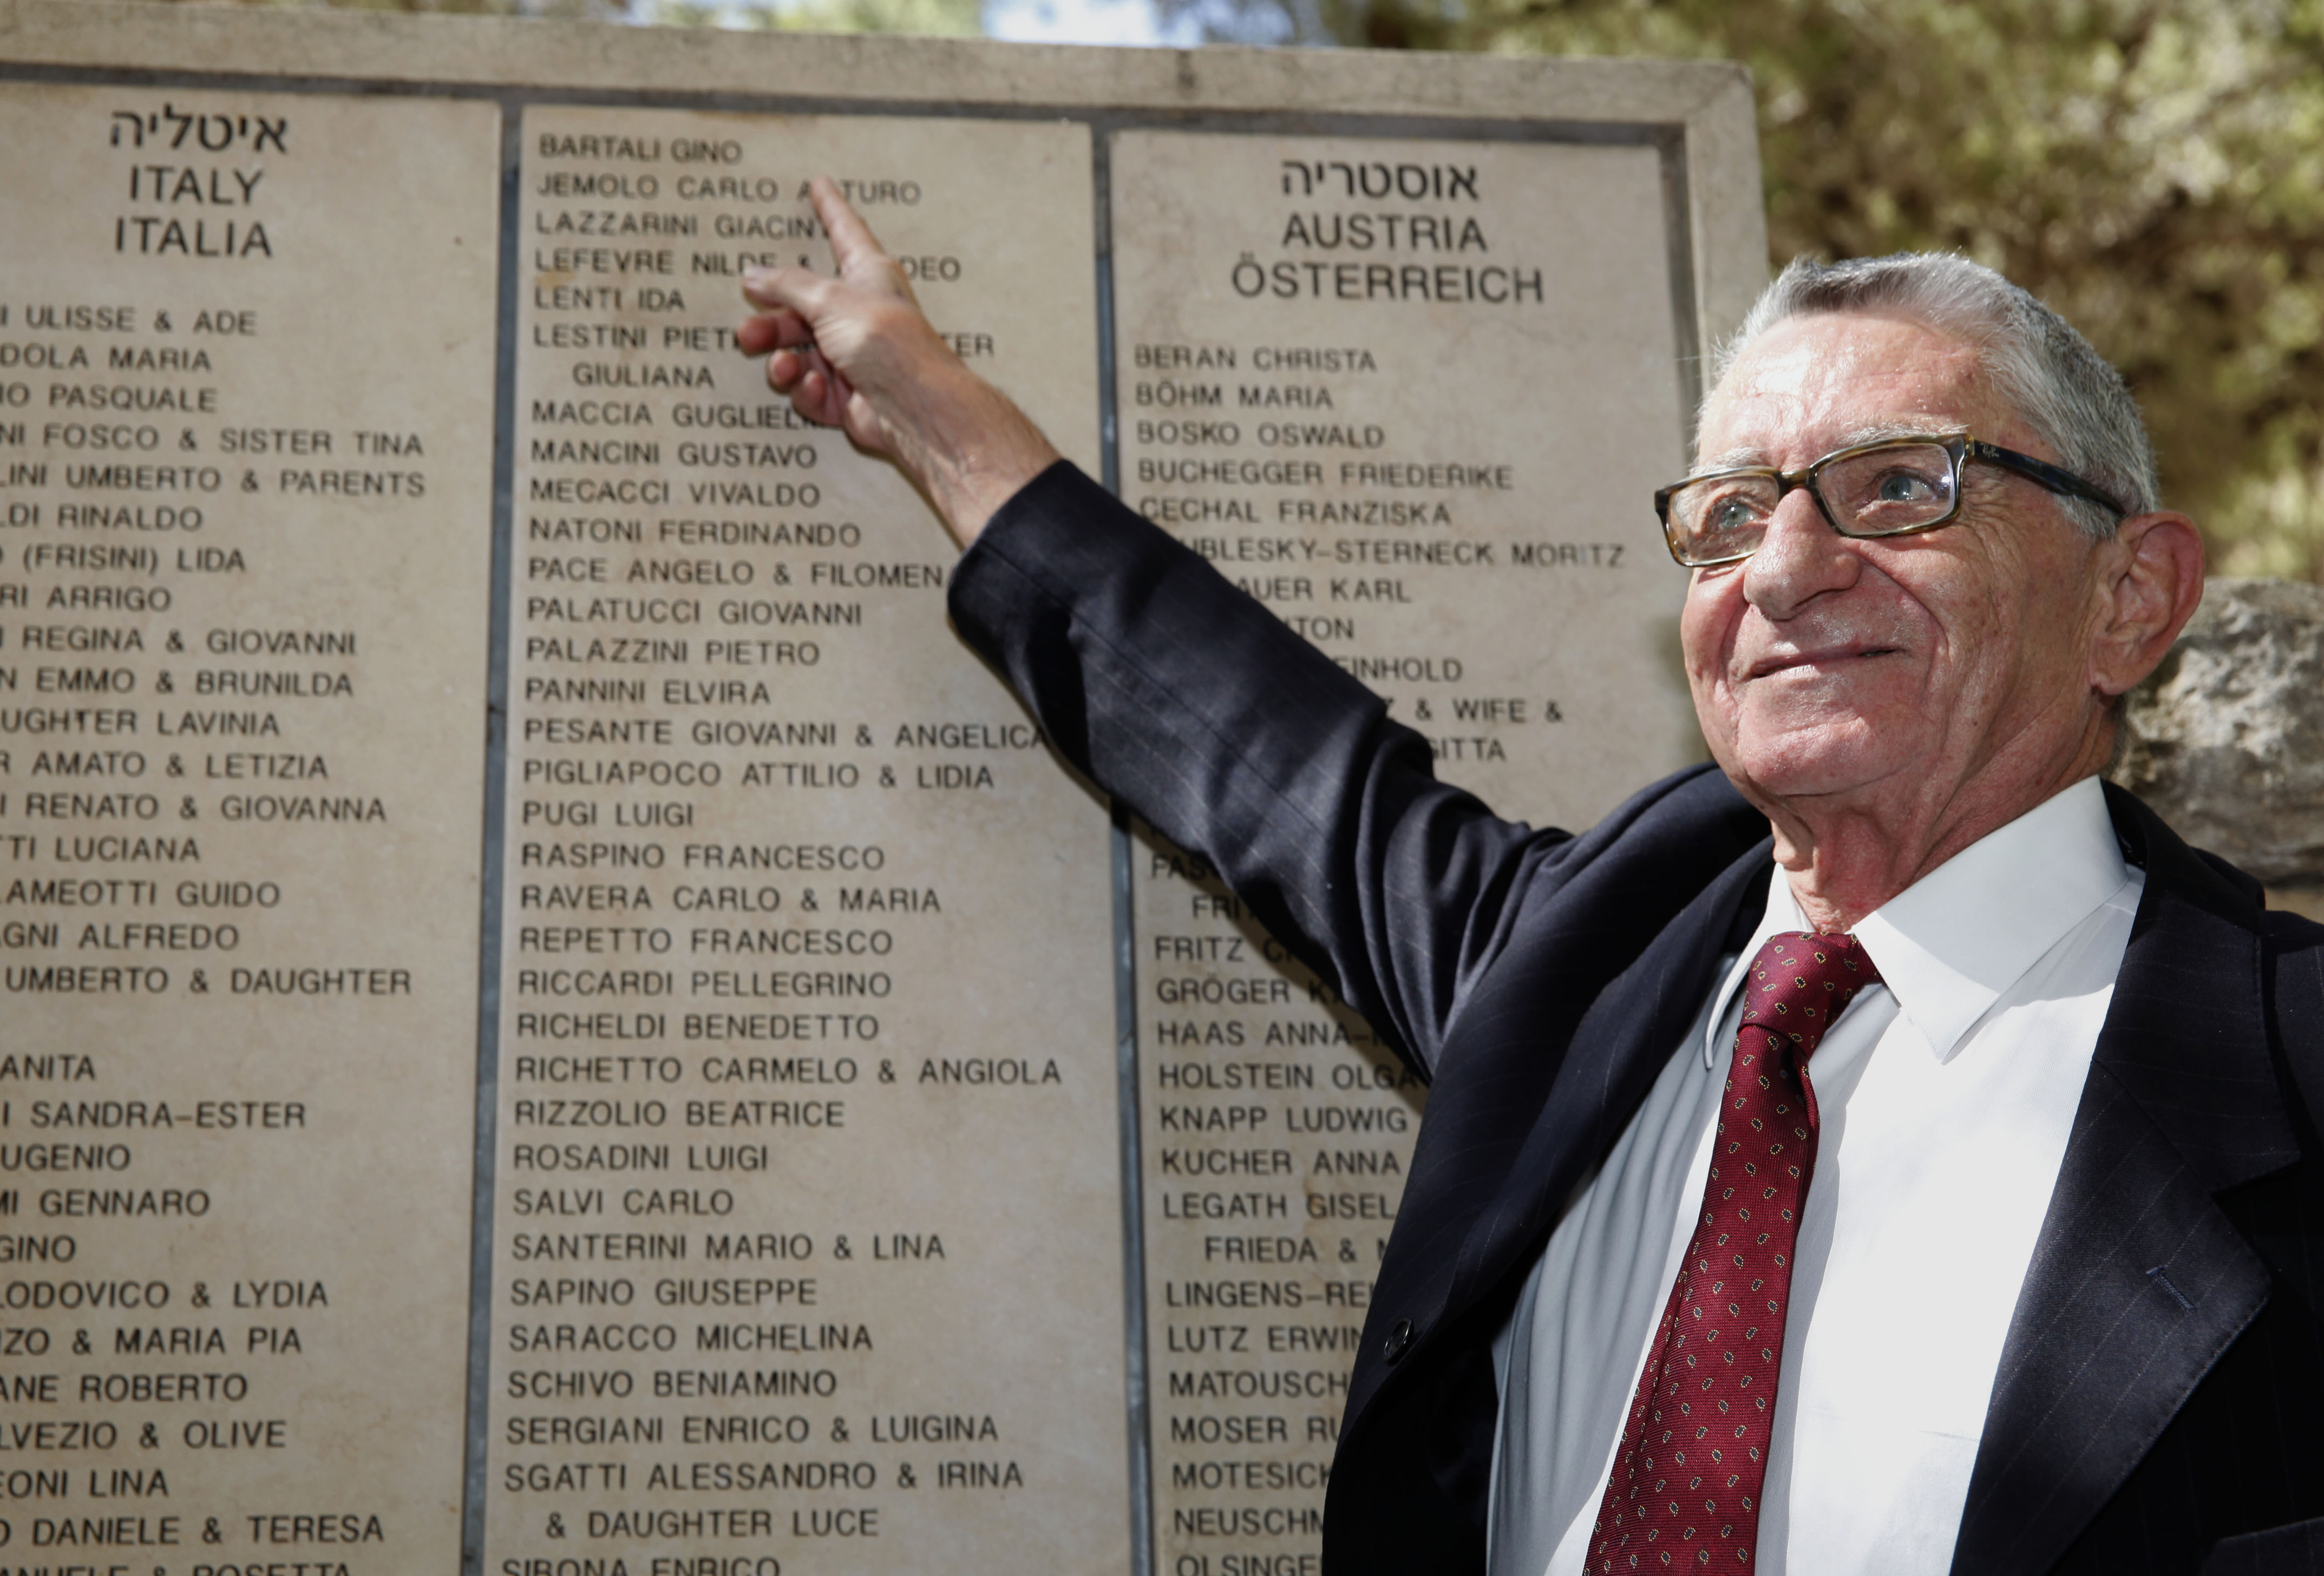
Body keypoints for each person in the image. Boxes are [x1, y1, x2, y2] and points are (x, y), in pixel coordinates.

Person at [737, 178, 2324, 1575]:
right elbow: (1267, 760)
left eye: (1899, 486)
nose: (1781, 569)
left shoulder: (2288, 1074)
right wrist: (929, 408)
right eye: (1730, 513)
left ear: (2132, 598)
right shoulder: (1587, 967)